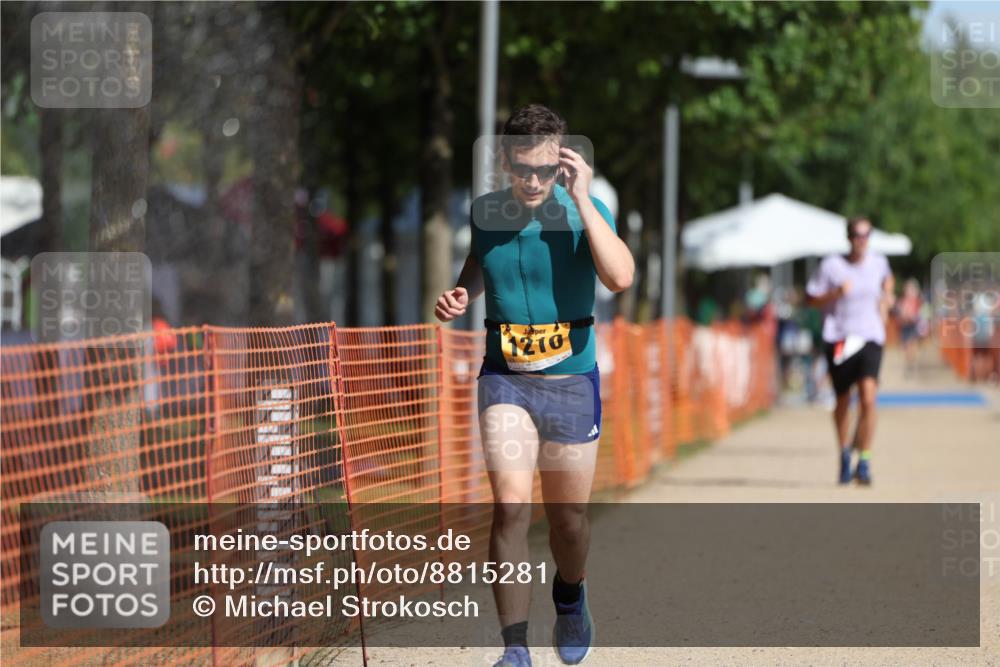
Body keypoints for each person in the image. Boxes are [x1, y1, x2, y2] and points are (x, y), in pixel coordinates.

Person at [434, 104, 634, 667]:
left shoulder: (584, 211)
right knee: (511, 506)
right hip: (506, 380)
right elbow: (480, 261)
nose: (532, 180)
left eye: (545, 170)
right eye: (522, 168)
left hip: (570, 381)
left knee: (567, 519)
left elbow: (620, 277)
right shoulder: (485, 212)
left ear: (562, 163)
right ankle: (515, 648)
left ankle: (570, 594)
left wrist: (582, 199)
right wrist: (462, 293)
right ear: (505, 161)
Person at [805, 216, 895, 486]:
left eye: (866, 235)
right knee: (843, 400)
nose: (862, 240)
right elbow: (810, 298)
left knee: (868, 397)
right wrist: (834, 294)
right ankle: (844, 452)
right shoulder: (831, 265)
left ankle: (864, 460)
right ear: (848, 237)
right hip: (840, 338)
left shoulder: (878, 262)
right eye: (857, 235)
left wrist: (887, 298)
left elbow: (887, 280)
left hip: (870, 336)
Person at [895, 278, 924, 377]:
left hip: (914, 326)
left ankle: (912, 365)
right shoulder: (902, 301)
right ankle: (909, 364)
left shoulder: (917, 301)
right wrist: (904, 316)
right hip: (905, 327)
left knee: (913, 345)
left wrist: (911, 316)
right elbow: (899, 313)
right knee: (907, 347)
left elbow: (919, 314)